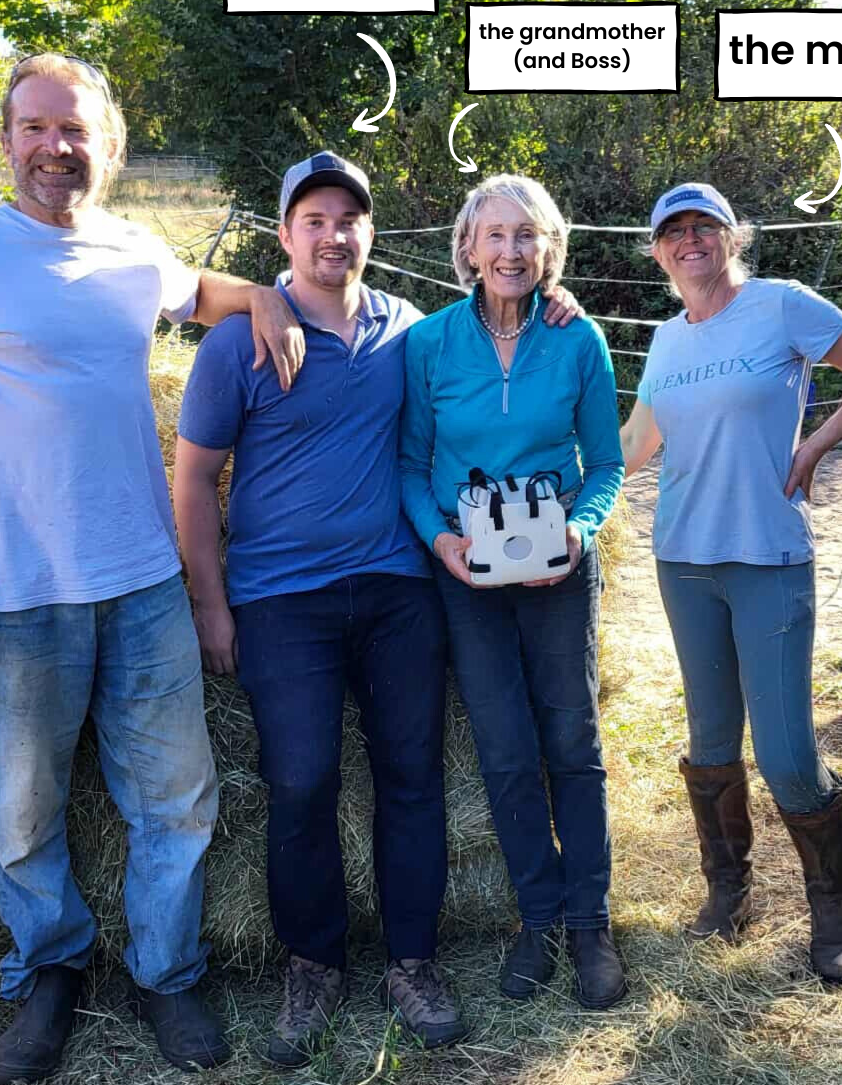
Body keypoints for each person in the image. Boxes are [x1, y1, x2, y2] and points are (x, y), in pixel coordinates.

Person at [0, 53, 304, 1082]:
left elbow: (198, 291)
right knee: (20, 810)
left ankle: (167, 972)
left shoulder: (132, 248)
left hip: (140, 583)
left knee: (176, 798)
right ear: (4, 141)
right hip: (11, 595)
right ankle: (47, 969)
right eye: (36, 128)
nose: (57, 147)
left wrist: (261, 295)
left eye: (77, 130)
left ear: (111, 146)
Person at [173, 153, 583, 1066]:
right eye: (312, 219)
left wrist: (560, 304)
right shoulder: (236, 343)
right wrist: (211, 603)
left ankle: (413, 959)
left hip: (399, 589)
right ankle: (312, 963)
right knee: (303, 779)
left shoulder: (408, 331)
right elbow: (195, 479)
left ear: (370, 232)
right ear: (283, 235)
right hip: (281, 598)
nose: (333, 235)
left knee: (412, 774)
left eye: (348, 219)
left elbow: (498, 333)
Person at [619, 182, 842, 985]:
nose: (689, 241)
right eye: (671, 231)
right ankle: (729, 894)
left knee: (786, 754)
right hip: (681, 559)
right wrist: (568, 490)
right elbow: (637, 441)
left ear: (730, 236)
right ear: (656, 251)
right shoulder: (664, 337)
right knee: (710, 743)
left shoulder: (781, 305)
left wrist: (814, 445)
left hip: (768, 559)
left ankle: (833, 911)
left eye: (703, 226)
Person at [399, 174, 628, 1011]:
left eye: (525, 236)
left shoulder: (578, 340)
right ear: (466, 247)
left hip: (558, 571)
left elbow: (604, 463)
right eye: (493, 235)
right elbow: (411, 463)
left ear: (548, 249)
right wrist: (441, 540)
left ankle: (590, 924)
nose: (509, 251)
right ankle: (537, 918)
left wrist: (580, 529)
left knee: (572, 743)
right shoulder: (428, 345)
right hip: (470, 578)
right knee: (503, 751)